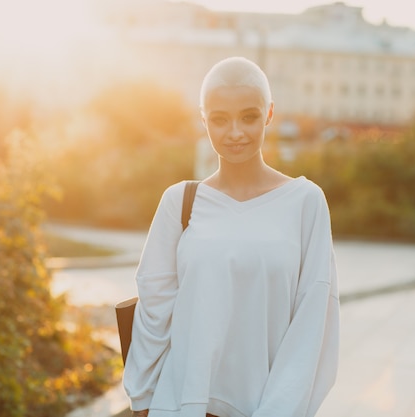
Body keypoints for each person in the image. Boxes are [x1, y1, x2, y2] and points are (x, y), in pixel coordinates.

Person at [123, 56, 340, 417]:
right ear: (203, 119)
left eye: (249, 116)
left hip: (267, 408)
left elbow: (313, 321)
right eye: (220, 119)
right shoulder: (180, 202)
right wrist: (142, 402)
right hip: (181, 405)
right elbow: (154, 309)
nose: (235, 132)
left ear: (269, 114)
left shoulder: (305, 202)